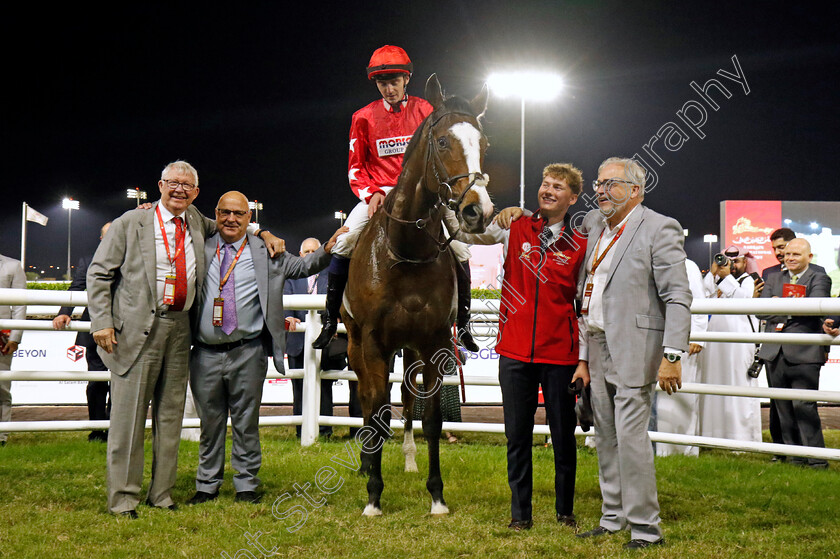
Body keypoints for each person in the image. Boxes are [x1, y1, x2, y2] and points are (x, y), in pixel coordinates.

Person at [87, 160, 284, 518]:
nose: (179, 190)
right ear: (160, 185)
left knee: (170, 418)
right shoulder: (131, 222)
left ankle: (161, 494)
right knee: (128, 422)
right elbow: (99, 273)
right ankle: (123, 499)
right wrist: (101, 321)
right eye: (172, 183)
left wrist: (264, 233)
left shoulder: (196, 221)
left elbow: (233, 226)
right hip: (135, 331)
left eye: (186, 186)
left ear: (195, 193)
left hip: (180, 330)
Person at [312, 44, 478, 353]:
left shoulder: (425, 111)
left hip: (425, 195)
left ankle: (464, 324)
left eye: (394, 81)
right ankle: (329, 320)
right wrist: (370, 193)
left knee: (460, 247)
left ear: (406, 80)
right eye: (382, 83)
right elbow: (355, 167)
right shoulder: (362, 117)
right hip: (379, 194)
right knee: (345, 243)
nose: (389, 88)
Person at [455, 163, 589, 531]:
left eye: (558, 187)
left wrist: (583, 358)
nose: (548, 190)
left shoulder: (581, 243)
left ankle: (565, 512)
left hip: (560, 355)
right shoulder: (514, 226)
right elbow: (467, 233)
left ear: (572, 198)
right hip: (514, 353)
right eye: (545, 184)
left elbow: (586, 302)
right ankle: (520, 515)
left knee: (563, 437)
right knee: (517, 437)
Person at [188, 193, 341, 505]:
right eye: (225, 212)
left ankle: (246, 485)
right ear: (216, 214)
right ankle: (206, 486)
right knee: (210, 424)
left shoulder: (265, 249)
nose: (231, 219)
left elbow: (302, 267)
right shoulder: (199, 244)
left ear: (249, 218)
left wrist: (327, 249)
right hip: (203, 351)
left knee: (246, 422)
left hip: (248, 350)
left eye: (239, 214)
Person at [575, 157, 691, 550]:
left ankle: (645, 528)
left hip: (636, 350)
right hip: (597, 342)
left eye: (611, 184)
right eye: (598, 183)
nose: (601, 191)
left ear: (636, 190)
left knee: (632, 438)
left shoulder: (660, 227)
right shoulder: (595, 225)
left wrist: (672, 355)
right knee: (605, 437)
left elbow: (678, 297)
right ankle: (612, 517)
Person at [757, 238, 833, 468]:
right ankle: (794, 458)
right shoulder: (772, 278)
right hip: (774, 352)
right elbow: (760, 311)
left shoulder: (820, 278)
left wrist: (778, 307)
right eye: (787, 254)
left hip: (805, 353)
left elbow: (814, 308)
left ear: (809, 257)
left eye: (796, 255)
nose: (789, 258)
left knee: (804, 406)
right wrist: (786, 308)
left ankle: (817, 461)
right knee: (782, 408)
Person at [53, 222, 112, 442]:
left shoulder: (131, 259)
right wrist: (64, 312)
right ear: (101, 239)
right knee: (96, 382)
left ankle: (115, 429)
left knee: (120, 384)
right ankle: (97, 430)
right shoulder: (87, 261)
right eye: (107, 236)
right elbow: (76, 289)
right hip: (93, 329)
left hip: (125, 330)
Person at [697, 246, 762, 443]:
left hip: (739, 343)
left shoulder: (750, 281)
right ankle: (713, 436)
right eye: (727, 261)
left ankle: (741, 438)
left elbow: (742, 301)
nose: (732, 265)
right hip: (716, 342)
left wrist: (726, 278)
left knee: (739, 385)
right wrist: (714, 273)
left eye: (737, 262)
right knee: (714, 383)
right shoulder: (719, 280)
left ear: (745, 263)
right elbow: (703, 293)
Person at [284, 237, 337, 439]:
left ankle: (325, 431)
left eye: (314, 251)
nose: (309, 254)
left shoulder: (330, 274)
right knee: (298, 389)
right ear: (300, 255)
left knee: (324, 387)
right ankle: (300, 430)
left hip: (324, 341)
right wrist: (287, 315)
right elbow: (285, 299)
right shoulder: (291, 276)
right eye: (306, 252)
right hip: (297, 341)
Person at [655, 258, 707, 456]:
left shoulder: (688, 265)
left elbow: (698, 301)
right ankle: (659, 449)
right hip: (655, 338)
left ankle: (683, 450)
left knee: (680, 395)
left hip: (683, 341)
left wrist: (698, 336)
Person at [0, 253, 26, 446]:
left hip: (3, 337)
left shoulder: (13, 266)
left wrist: (15, 337)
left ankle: (1, 436)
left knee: (1, 388)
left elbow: (19, 304)